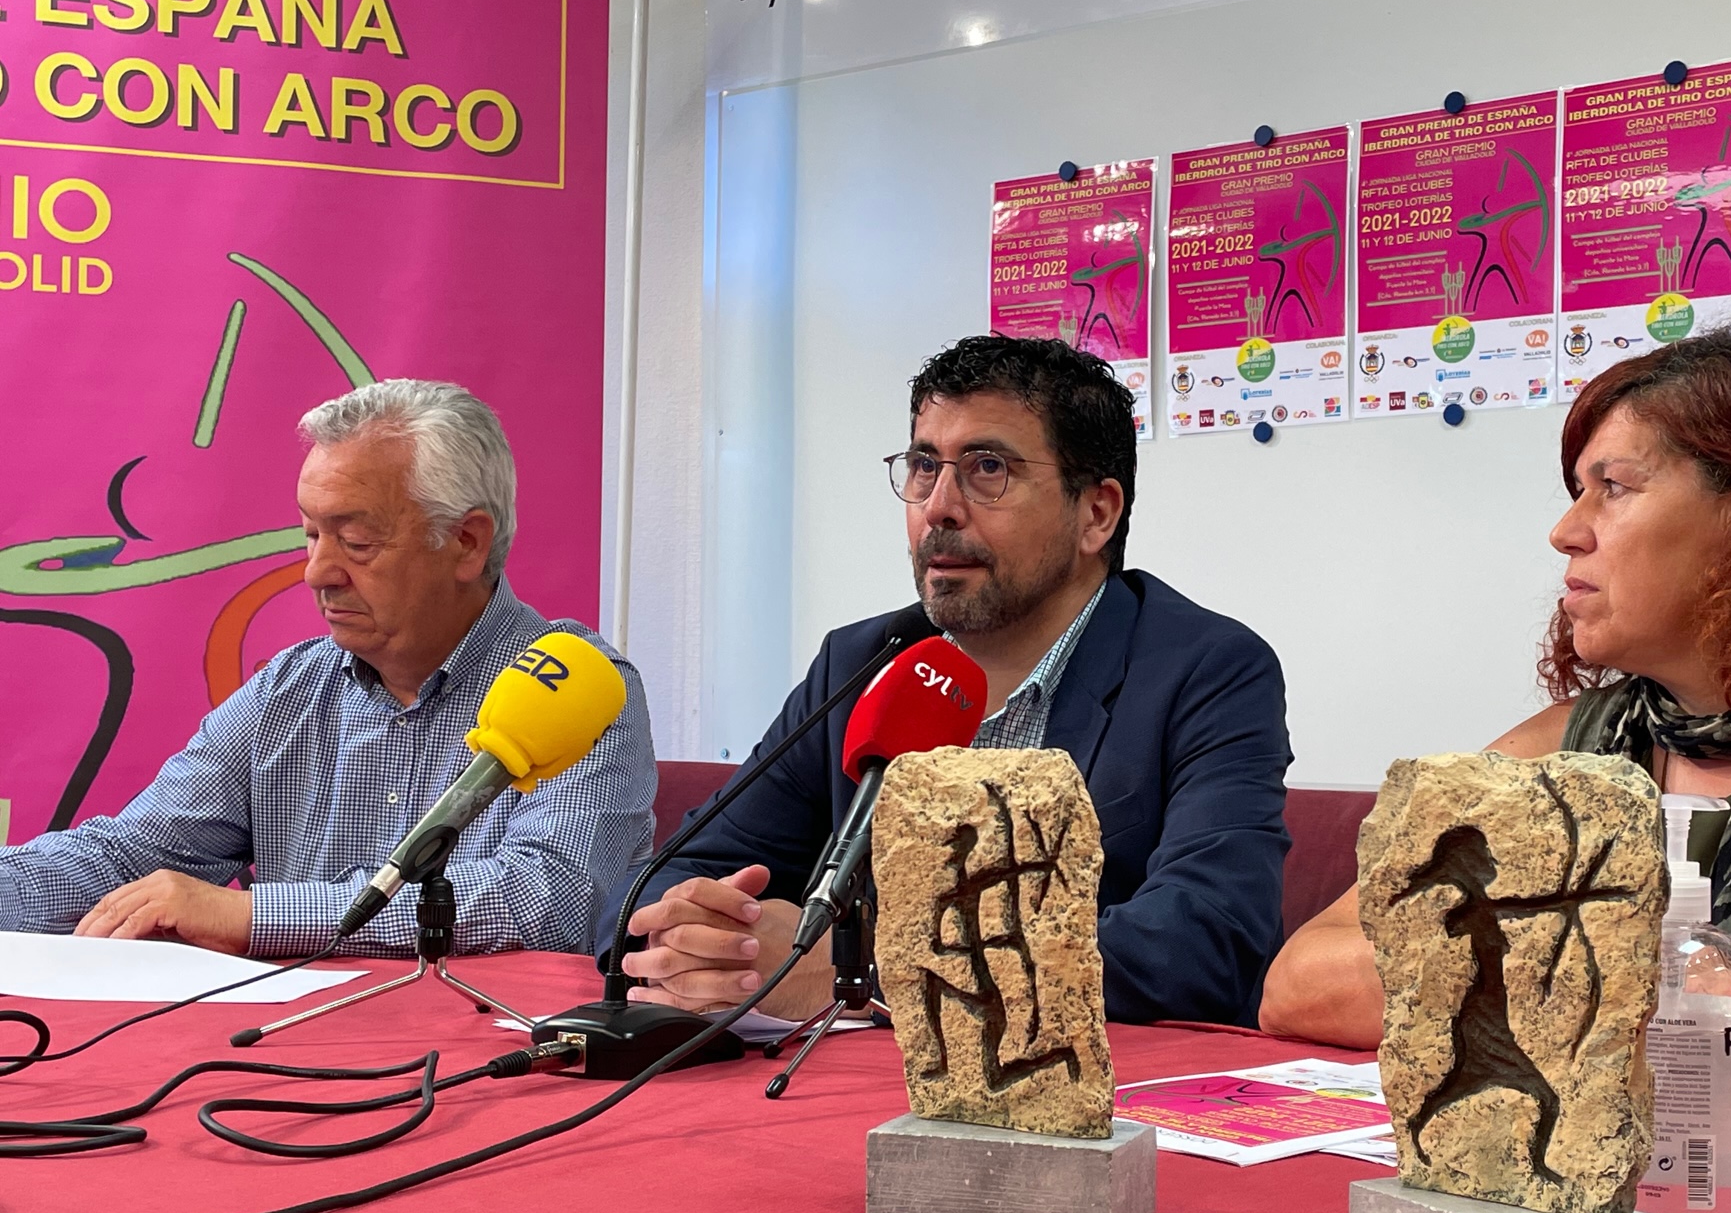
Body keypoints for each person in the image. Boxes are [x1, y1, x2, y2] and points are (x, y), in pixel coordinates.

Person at [1262, 330, 1731, 1133]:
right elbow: (1305, 983)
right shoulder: (1566, 743)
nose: (1566, 530)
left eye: (1613, 488)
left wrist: (1513, 996)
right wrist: (1665, 999)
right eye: (1578, 491)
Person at [624, 335, 1292, 1026]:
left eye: (988, 468)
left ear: (1096, 513)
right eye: (923, 467)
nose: (938, 507)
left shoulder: (1206, 670)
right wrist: (700, 941)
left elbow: (1204, 942)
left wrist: (862, 972)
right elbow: (655, 887)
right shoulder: (860, 661)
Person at [0, 380, 657, 960]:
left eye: (357, 542)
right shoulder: (289, 688)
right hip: (276, 1041)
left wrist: (249, 917)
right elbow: (129, 856)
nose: (317, 573)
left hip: (486, 1050)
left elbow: (548, 899)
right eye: (311, 535)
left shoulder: (577, 687)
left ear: (466, 542)